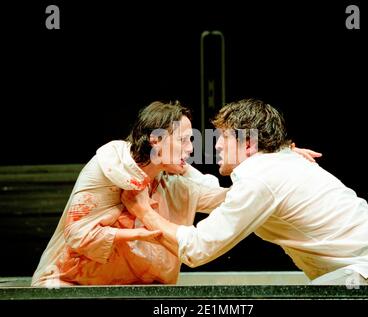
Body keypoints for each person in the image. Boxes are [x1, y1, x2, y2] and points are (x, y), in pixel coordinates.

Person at [122, 98, 368, 285]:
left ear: (248, 144)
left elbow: (199, 248)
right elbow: (224, 200)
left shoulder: (260, 177)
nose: (215, 146)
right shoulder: (278, 164)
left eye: (222, 138)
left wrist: (144, 211)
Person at [31, 101, 228, 286]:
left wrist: (185, 167)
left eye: (191, 140)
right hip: (70, 282)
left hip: (134, 287)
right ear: (156, 140)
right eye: (183, 140)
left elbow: (224, 199)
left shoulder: (170, 182)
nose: (191, 148)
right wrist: (138, 234)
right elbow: (77, 234)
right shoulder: (110, 167)